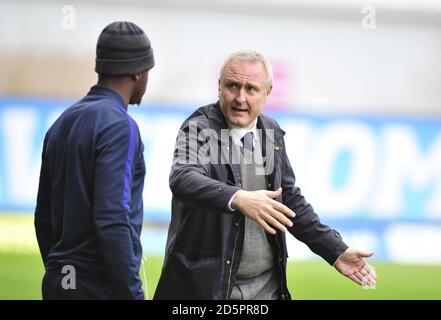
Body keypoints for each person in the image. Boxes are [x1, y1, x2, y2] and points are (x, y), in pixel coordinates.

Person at [154, 50, 376, 300]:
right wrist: (238, 198)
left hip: (266, 290)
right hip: (208, 292)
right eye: (233, 86)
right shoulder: (199, 128)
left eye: (251, 89)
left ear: (267, 93)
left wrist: (335, 250)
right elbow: (183, 178)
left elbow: (289, 201)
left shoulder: (269, 133)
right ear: (219, 87)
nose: (240, 97)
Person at [34, 21, 154, 300]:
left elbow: (43, 216)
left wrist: (61, 272)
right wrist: (132, 294)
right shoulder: (120, 126)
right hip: (95, 286)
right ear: (138, 71)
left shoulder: (62, 122)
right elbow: (111, 217)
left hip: (59, 282)